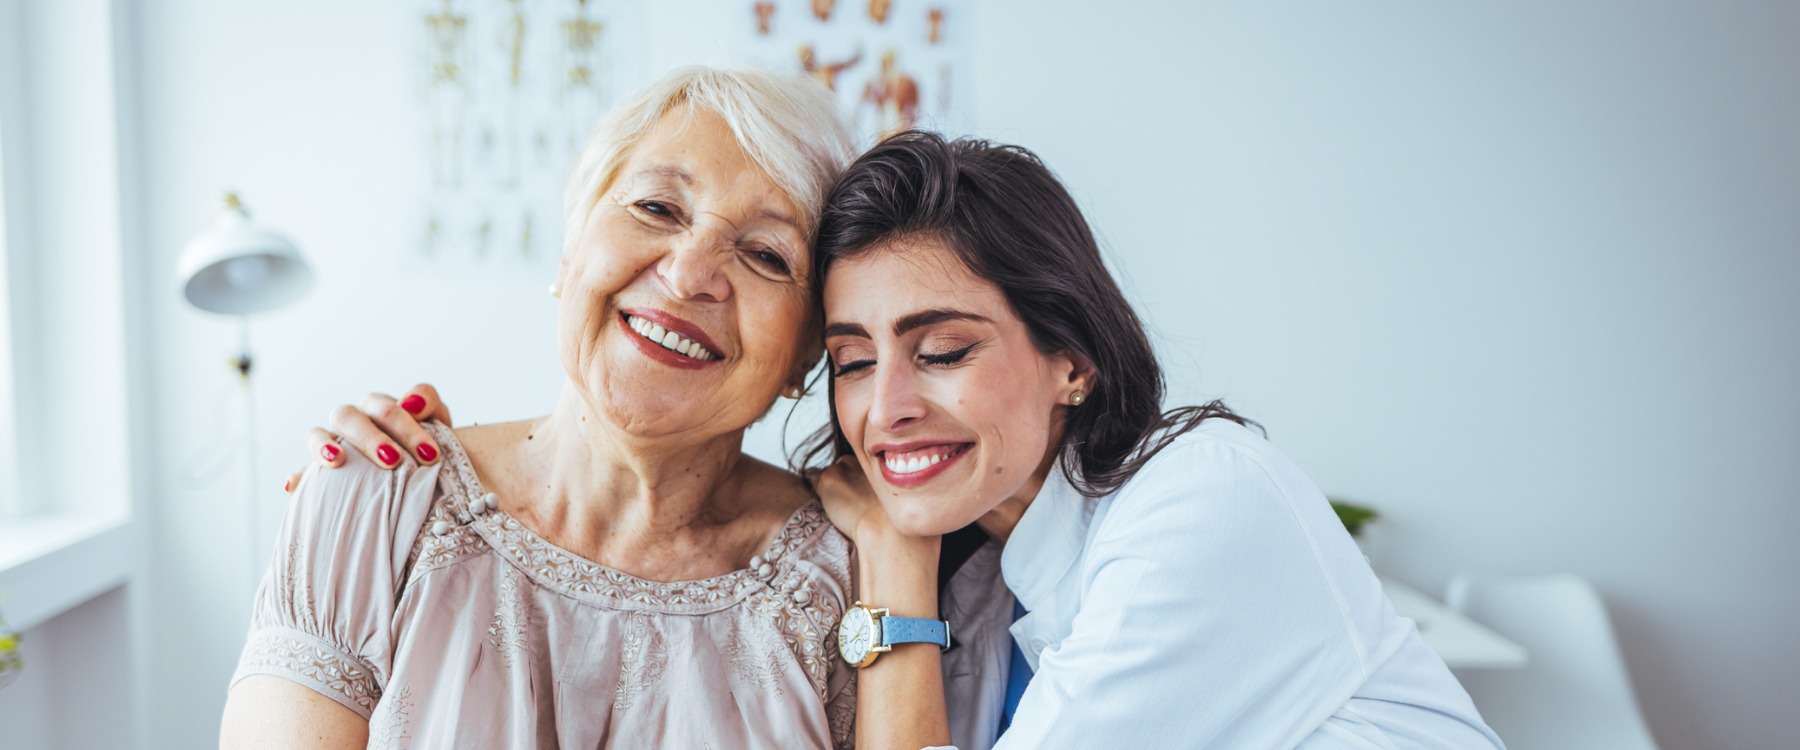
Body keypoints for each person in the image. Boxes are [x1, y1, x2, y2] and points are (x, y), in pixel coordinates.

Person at [300, 134, 1506, 748]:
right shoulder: (976, 589)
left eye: (943, 348)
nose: (887, 412)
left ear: (1071, 357)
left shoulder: (1202, 501)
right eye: (859, 357)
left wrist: (891, 563)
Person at [220, 65, 863, 749]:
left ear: (806, 351)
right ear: (570, 248)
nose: (687, 275)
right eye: (657, 208)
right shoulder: (373, 504)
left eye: (766, 254)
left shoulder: (846, 578)